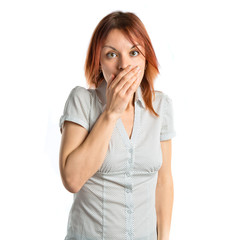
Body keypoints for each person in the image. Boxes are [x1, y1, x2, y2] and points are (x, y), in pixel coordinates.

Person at [59, 10, 176, 240]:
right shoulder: (82, 101)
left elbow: (164, 182)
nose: (124, 65)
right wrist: (111, 113)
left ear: (145, 58)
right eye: (112, 54)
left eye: (134, 53)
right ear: (98, 61)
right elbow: (72, 180)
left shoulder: (161, 106)